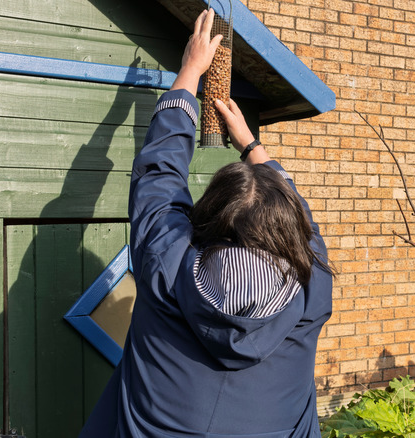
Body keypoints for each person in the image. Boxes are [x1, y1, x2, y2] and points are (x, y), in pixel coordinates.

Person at [79, 9, 333, 438]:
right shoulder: (312, 286)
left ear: (205, 220)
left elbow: (159, 176)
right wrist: (252, 144)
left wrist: (190, 72)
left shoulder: (168, 266)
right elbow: (300, 219)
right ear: (287, 232)